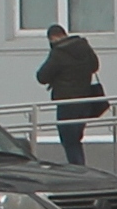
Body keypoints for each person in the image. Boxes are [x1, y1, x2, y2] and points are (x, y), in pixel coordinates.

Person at [36, 21, 105, 163]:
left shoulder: (58, 53)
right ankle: (80, 169)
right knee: (75, 139)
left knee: (69, 140)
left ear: (52, 38)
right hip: (85, 101)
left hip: (67, 104)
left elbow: (42, 77)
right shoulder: (83, 46)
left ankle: (78, 171)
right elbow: (95, 66)